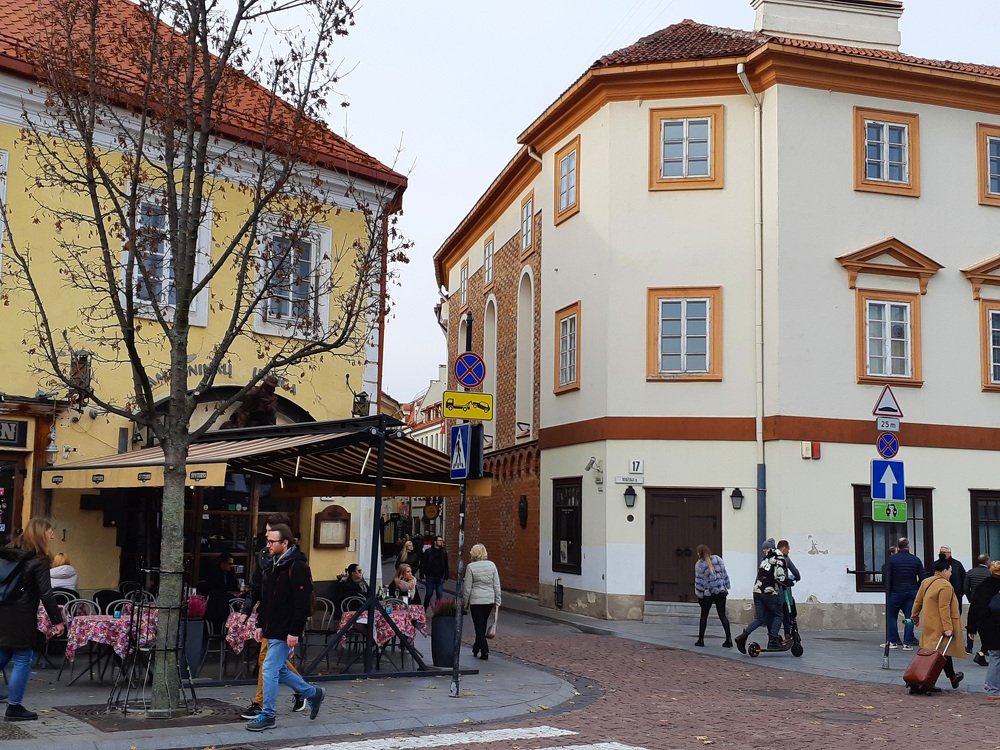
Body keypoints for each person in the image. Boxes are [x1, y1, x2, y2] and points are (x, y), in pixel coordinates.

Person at [246, 523, 325, 731]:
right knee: (279, 670)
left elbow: (301, 602)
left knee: (270, 668)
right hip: (273, 625)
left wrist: (294, 631)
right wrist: (261, 624)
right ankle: (313, 693)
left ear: (285, 543)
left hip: (285, 628)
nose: (268, 545)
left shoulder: (297, 567)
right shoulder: (274, 563)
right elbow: (267, 598)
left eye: (272, 541)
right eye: (268, 541)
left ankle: (268, 714)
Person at [241, 514, 305, 721]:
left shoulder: (295, 563)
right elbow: (259, 586)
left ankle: (263, 706)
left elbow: (299, 598)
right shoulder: (266, 555)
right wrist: (253, 612)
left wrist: (295, 629)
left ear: (284, 538)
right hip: (270, 618)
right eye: (267, 531)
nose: (266, 535)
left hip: (282, 620)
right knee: (275, 664)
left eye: (270, 532)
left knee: (268, 663)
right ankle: (307, 692)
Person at [0, 518, 65, 721]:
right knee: (22, 658)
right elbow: (46, 594)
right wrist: (57, 620)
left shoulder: (10, 554)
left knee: (3, 653)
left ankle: (15, 705)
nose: (53, 535)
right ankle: (14, 707)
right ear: (40, 534)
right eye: (49, 531)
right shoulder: (38, 560)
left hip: (3, 609)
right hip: (22, 614)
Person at [911, 556, 965, 691]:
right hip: (940, 625)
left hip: (929, 623)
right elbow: (944, 607)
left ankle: (950, 677)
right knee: (939, 654)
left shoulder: (927, 582)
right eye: (950, 571)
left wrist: (915, 616)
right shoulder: (945, 585)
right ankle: (927, 679)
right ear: (944, 571)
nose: (951, 573)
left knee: (934, 653)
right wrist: (948, 628)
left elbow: (918, 601)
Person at [735, 538, 787, 654]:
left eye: (765, 549)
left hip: (757, 592)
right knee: (778, 615)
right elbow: (780, 576)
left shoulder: (764, 560)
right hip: (769, 592)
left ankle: (742, 637)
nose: (764, 551)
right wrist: (787, 581)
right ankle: (773, 640)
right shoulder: (778, 557)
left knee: (759, 618)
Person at [882, 537, 924, 650]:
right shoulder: (915, 560)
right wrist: (917, 588)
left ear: (898, 546)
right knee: (909, 617)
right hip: (911, 591)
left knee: (891, 617)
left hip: (895, 592)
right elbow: (923, 577)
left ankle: (894, 641)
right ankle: (907, 642)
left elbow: (886, 577)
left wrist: (888, 589)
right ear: (908, 546)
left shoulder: (891, 560)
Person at [966, 560, 1000, 698]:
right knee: (996, 657)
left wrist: (972, 628)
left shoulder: (982, 586)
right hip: (996, 624)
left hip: (986, 627)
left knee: (994, 656)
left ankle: (992, 686)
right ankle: (993, 689)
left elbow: (974, 608)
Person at [462, 543, 501, 661]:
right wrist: (497, 600)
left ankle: (485, 650)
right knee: (482, 624)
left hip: (476, 600)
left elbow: (467, 588)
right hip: (489, 600)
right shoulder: (492, 565)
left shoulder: (470, 567)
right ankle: (476, 647)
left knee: (478, 626)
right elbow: (496, 584)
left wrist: (465, 603)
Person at [693, 544, 732, 648]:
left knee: (704, 616)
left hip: (708, 593)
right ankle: (729, 639)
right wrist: (726, 586)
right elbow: (725, 575)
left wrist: (699, 595)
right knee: (722, 615)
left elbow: (699, 582)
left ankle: (701, 640)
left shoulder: (700, 564)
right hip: (721, 591)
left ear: (699, 553)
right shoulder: (718, 559)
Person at [965, 553, 992, 665]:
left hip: (975, 604)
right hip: (988, 605)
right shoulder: (990, 573)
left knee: (974, 626)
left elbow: (966, 588)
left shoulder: (971, 572)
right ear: (987, 562)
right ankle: (982, 652)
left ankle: (970, 647)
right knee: (989, 630)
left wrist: (971, 598)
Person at [205, 553, 240, 630]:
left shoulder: (229, 574)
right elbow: (217, 586)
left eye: (232, 564)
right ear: (223, 563)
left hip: (227, 598)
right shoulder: (214, 573)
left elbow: (235, 586)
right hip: (218, 600)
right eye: (229, 564)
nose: (231, 566)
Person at [777, 540, 800, 640]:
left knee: (776, 614)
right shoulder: (785, 558)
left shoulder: (771, 558)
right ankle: (787, 633)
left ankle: (773, 635)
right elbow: (795, 572)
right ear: (784, 548)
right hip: (784, 590)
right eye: (788, 549)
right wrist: (796, 578)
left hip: (773, 592)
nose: (789, 551)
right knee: (787, 611)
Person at [933, 545, 967, 613]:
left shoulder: (957, 564)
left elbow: (964, 578)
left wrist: (961, 592)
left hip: (956, 594)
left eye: (944, 552)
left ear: (949, 553)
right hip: (939, 595)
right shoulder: (935, 564)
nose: (941, 554)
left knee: (956, 613)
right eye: (940, 552)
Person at [422, 535, 449, 610]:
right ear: (435, 542)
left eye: (441, 541)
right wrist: (423, 573)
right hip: (430, 576)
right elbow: (424, 563)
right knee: (429, 593)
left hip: (440, 576)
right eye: (439, 540)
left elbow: (446, 563)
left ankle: (437, 610)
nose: (441, 542)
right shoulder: (428, 551)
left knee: (439, 594)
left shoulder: (443, 552)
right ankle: (424, 608)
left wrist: (446, 574)